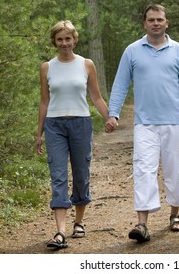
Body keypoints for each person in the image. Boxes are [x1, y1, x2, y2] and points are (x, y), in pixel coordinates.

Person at [105, 4, 179, 243]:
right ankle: (142, 223)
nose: (156, 23)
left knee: (175, 170)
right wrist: (113, 114)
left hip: (174, 122)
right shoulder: (132, 51)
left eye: (160, 19)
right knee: (143, 170)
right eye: (151, 20)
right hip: (144, 124)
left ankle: (175, 215)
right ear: (144, 24)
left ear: (166, 23)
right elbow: (120, 85)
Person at [36, 20, 111, 249]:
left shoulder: (86, 65)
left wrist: (109, 117)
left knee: (81, 173)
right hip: (54, 126)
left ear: (74, 40)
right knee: (58, 175)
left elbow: (96, 97)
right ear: (54, 41)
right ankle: (60, 232)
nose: (64, 43)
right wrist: (39, 134)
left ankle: (79, 221)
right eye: (60, 39)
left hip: (81, 123)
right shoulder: (47, 67)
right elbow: (44, 102)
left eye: (68, 39)